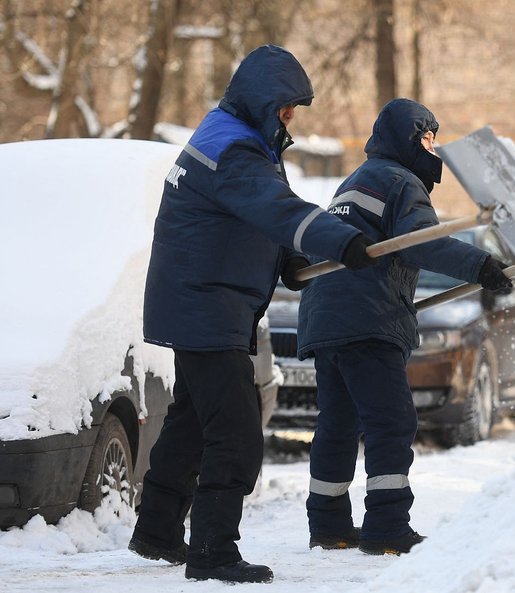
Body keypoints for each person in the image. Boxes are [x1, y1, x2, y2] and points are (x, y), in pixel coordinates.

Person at [127, 45, 374, 584]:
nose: (290, 119)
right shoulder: (235, 151)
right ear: (264, 100)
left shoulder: (232, 137)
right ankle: (213, 551)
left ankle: (156, 531)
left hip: (202, 302)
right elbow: (278, 208)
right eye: (286, 107)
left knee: (193, 422)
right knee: (235, 430)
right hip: (205, 305)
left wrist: (290, 257)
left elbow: (256, 217)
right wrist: (342, 241)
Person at [295, 98, 512, 556]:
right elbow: (422, 245)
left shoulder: (355, 181)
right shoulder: (402, 182)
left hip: (325, 317)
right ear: (409, 139)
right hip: (366, 320)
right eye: (428, 139)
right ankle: (387, 528)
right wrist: (480, 265)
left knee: (338, 422)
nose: (433, 150)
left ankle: (328, 525)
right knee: (391, 420)